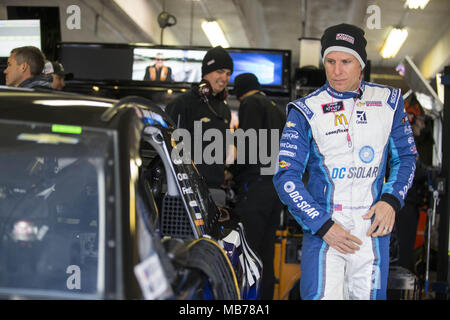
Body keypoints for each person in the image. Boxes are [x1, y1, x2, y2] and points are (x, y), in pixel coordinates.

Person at [272, 23, 417, 300]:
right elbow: (285, 177)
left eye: (346, 62)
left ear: (361, 64)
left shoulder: (389, 101)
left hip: (372, 228)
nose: (337, 70)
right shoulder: (305, 111)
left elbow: (407, 157)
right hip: (325, 228)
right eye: (330, 61)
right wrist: (323, 225)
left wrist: (391, 200)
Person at [230, 73, 285, 299]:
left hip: (256, 186)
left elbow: (247, 143)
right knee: (266, 252)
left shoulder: (251, 103)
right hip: (276, 187)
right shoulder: (276, 108)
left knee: (249, 252)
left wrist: (231, 173)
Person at [165, 46, 233, 207]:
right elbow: (170, 146)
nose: (224, 77)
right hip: (186, 190)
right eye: (220, 71)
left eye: (228, 74)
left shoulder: (224, 110)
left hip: (216, 191)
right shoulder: (182, 104)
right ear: (206, 72)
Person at [395, 101, 427, 272]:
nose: (422, 125)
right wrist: (427, 174)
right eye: (420, 120)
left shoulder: (409, 141)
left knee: (406, 251)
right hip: (403, 205)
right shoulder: (403, 141)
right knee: (403, 253)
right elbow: (410, 170)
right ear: (411, 118)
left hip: (409, 204)